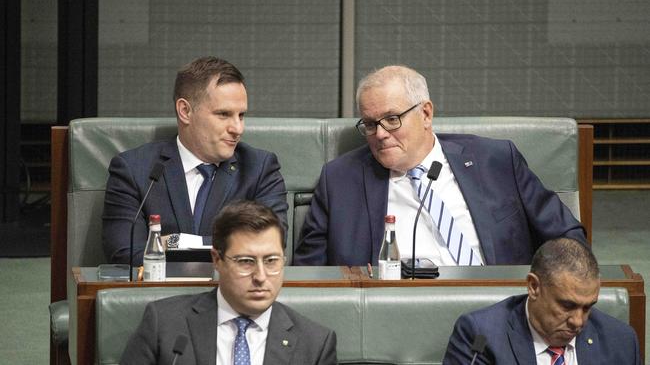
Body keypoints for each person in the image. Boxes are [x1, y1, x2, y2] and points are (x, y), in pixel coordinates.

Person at [294, 65, 585, 266]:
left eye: (392, 119)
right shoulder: (340, 180)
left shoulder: (495, 160)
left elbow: (567, 236)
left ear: (426, 114)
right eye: (370, 124)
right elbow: (310, 272)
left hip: (499, 311)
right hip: (396, 314)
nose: (380, 134)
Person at [103, 56, 288, 264]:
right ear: (185, 111)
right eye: (224, 114)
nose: (238, 128)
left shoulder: (259, 169)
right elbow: (125, 254)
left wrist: (172, 242)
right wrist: (225, 248)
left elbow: (269, 246)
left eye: (241, 115)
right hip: (158, 295)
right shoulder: (134, 169)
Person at [121, 200, 337, 364]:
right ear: (217, 260)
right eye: (246, 262)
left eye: (271, 261)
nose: (261, 277)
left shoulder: (315, 343)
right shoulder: (164, 324)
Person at [442, 238, 641, 364]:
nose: (578, 321)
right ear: (534, 287)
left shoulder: (621, 342)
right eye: (567, 306)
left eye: (588, 307)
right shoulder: (481, 336)